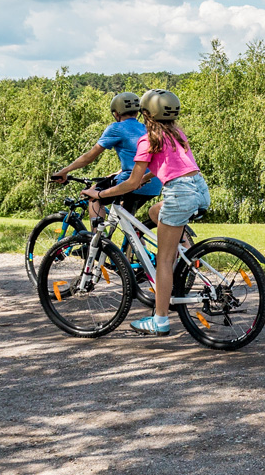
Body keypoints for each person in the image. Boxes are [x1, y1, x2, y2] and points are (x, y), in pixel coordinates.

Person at [89, 89, 210, 336]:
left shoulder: (148, 139)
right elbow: (174, 166)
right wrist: (147, 177)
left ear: (145, 113)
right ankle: (183, 254)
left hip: (179, 193)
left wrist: (100, 195)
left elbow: (130, 184)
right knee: (156, 212)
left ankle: (160, 320)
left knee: (163, 261)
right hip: (199, 188)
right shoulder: (177, 134)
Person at [49, 91, 162, 224]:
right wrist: (119, 172)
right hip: (154, 183)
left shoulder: (116, 128)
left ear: (116, 113)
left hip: (132, 180)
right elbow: (143, 158)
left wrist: (64, 171)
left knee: (93, 195)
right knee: (128, 226)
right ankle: (131, 243)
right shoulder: (145, 128)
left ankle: (98, 242)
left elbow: (89, 157)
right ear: (137, 112)